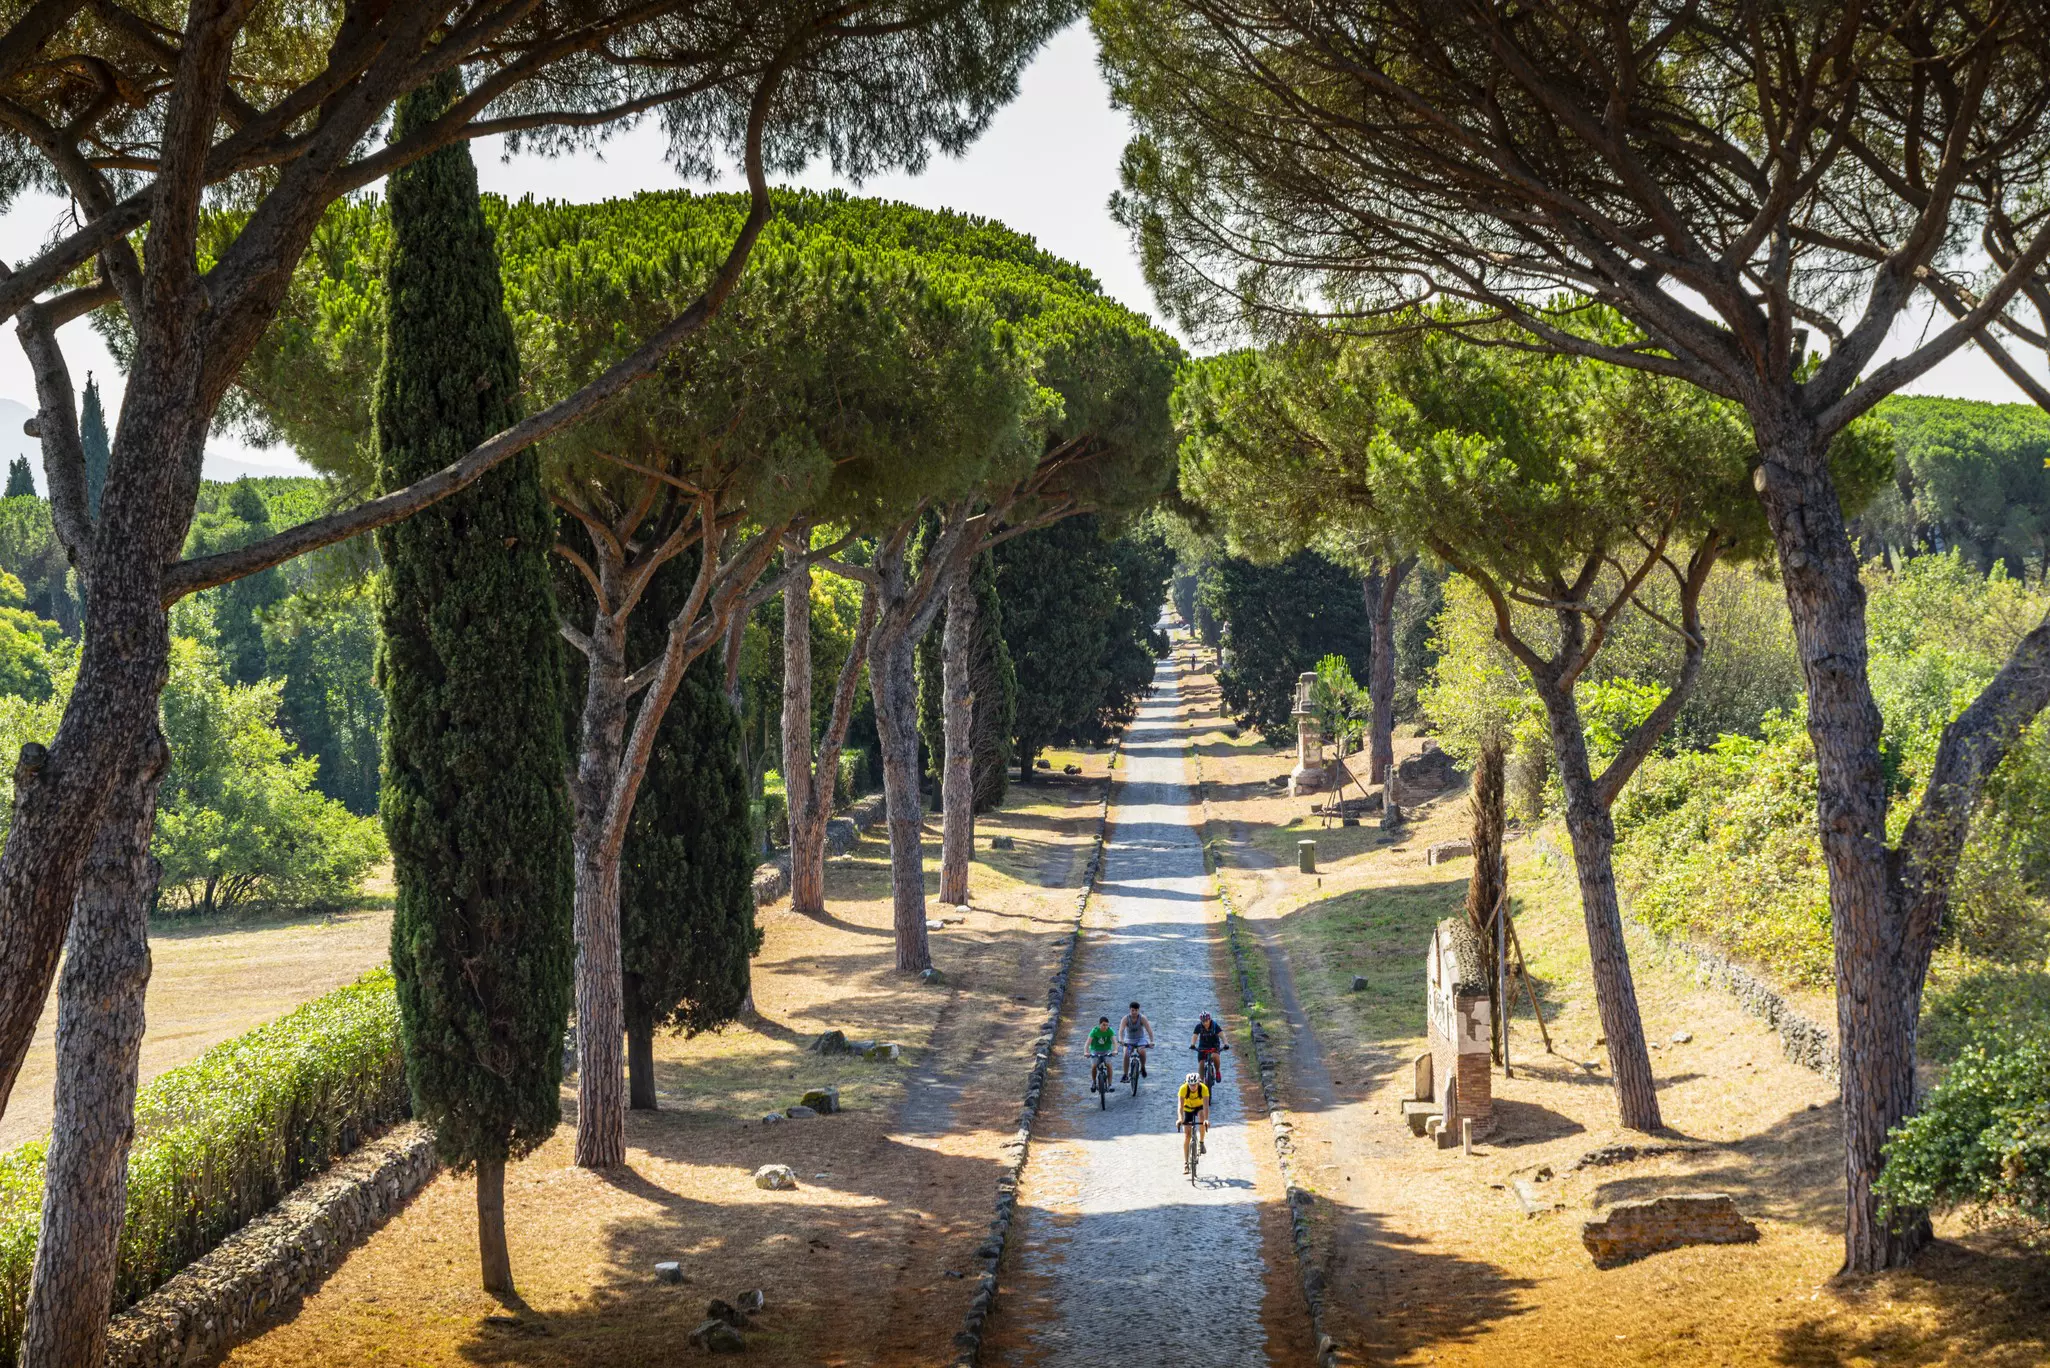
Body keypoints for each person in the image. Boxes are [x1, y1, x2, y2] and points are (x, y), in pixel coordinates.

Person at [1177, 1071, 1211, 1154]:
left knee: (1202, 1118)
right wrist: (1180, 1119)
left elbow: (1206, 1106)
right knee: (1187, 1136)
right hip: (1187, 1108)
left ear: (1198, 1083)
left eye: (1194, 1084)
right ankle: (1186, 1163)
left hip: (1199, 1107)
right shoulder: (1183, 1088)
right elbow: (1180, 1106)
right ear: (1187, 1084)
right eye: (1190, 1085)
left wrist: (1206, 1120)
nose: (1192, 1087)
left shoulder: (1204, 1088)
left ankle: (1201, 1142)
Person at [1118, 1001, 1154, 1079]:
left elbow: (1149, 1030)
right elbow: (1121, 1030)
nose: (1134, 1012)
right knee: (1126, 1054)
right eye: (1132, 1010)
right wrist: (1121, 1040)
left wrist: (1151, 1041)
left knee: (1142, 1051)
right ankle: (1125, 1074)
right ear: (1130, 1010)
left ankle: (1143, 1067)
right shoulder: (1125, 1019)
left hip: (1140, 1040)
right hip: (1129, 1041)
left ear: (1138, 1010)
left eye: (1136, 1010)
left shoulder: (1142, 1018)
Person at [1191, 1012, 1227, 1081]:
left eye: (1206, 1021)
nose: (1205, 1023)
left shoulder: (1214, 1025)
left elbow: (1222, 1035)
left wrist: (1226, 1043)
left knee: (1215, 1056)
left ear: (1209, 1019)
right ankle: (1201, 1082)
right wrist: (1193, 1044)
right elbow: (1195, 1035)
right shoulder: (1199, 1026)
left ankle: (1217, 1071)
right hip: (1203, 1045)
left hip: (1214, 1044)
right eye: (1203, 1021)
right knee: (1201, 1063)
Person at [1087, 1016, 1117, 1085]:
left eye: (1107, 1025)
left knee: (1109, 1065)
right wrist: (1086, 1052)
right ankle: (1094, 1082)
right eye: (1103, 1025)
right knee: (1094, 1066)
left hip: (1106, 1050)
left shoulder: (1110, 1030)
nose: (1105, 1027)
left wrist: (1115, 1050)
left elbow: (1115, 1042)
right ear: (1099, 1024)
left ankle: (1110, 1084)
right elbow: (1087, 1043)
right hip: (1095, 1050)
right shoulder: (1094, 1031)